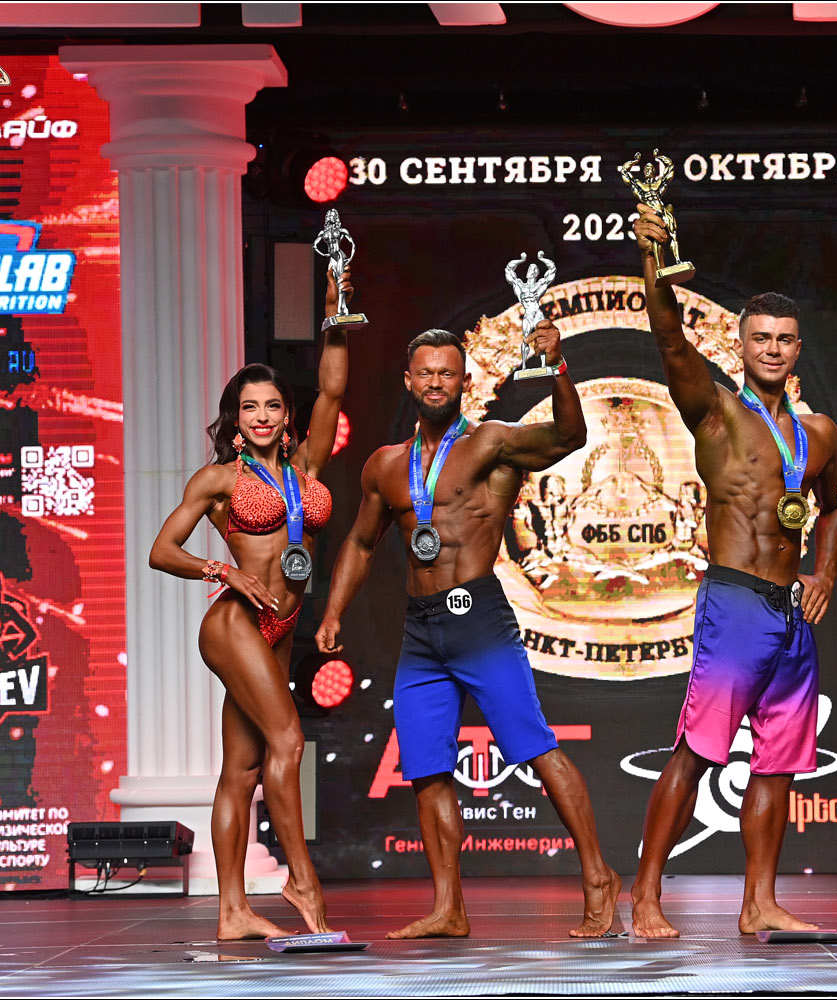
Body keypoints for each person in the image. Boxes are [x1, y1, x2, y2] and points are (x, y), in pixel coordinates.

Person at [315, 319, 621, 940]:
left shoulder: (492, 444)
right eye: (425, 373)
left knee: (534, 747)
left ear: (464, 381)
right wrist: (333, 611)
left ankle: (598, 877)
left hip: (478, 618)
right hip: (421, 631)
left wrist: (558, 367)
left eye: (447, 373)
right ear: (408, 381)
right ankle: (448, 908)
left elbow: (570, 434)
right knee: (427, 769)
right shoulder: (385, 466)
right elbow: (362, 542)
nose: (435, 382)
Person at [627, 203, 837, 938]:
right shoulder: (716, 411)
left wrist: (824, 574)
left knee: (777, 764)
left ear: (797, 346)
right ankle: (646, 897)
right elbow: (668, 338)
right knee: (696, 751)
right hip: (734, 603)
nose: (773, 349)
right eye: (761, 338)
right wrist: (653, 261)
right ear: (740, 343)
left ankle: (760, 902)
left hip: (791, 611)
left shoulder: (819, 434)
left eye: (784, 339)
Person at [148, 269, 349, 939]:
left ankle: (232, 911)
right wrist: (223, 571)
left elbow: (333, 387)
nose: (262, 416)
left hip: (281, 626)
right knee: (288, 739)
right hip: (234, 622)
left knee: (242, 768)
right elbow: (161, 549)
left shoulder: (306, 469)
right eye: (249, 407)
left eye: (273, 406)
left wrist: (332, 312)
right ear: (236, 419)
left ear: (287, 415)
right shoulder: (219, 479)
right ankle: (302, 879)